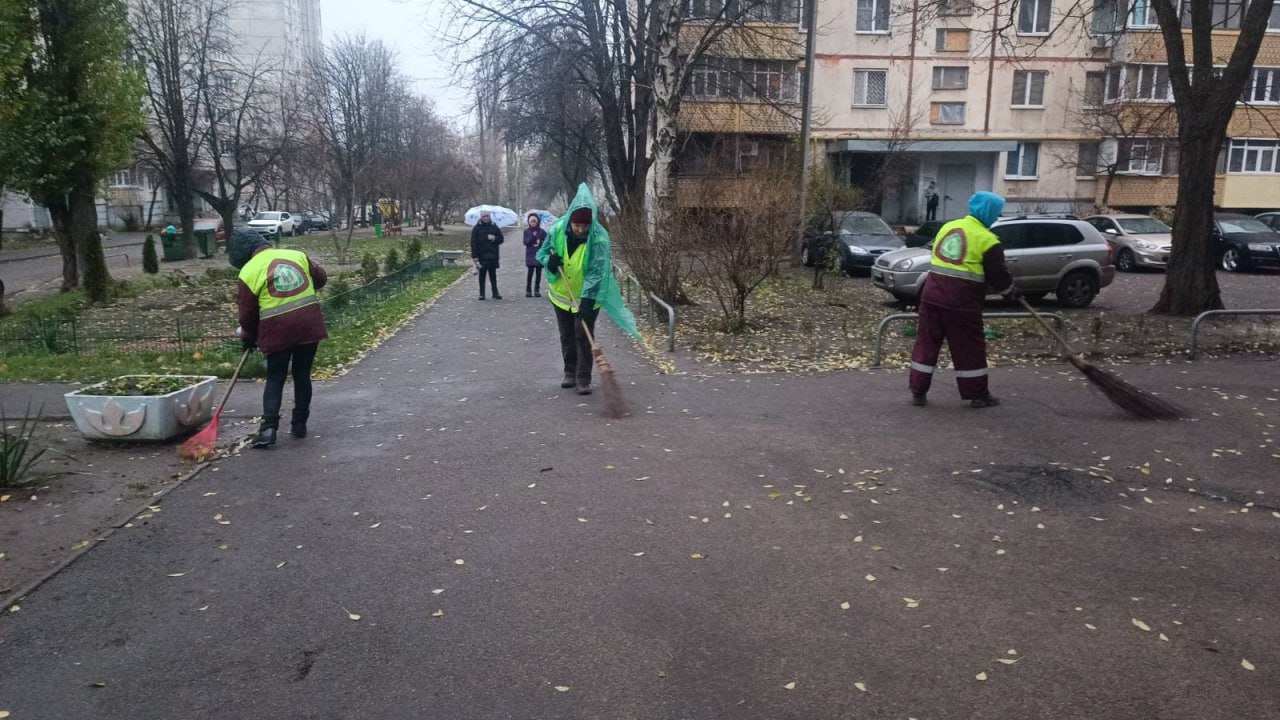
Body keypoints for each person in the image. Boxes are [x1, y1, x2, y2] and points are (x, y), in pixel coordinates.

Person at [908, 191, 1018, 409]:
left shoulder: (948, 227)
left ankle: (918, 391)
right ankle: (977, 394)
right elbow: (998, 275)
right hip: (962, 302)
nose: (996, 218)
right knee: (969, 349)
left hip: (931, 296)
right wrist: (1011, 291)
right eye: (995, 213)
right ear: (987, 212)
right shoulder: (988, 240)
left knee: (926, 344)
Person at [228, 228, 328, 448]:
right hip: (309, 325)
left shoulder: (249, 271)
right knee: (302, 375)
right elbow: (321, 279)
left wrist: (248, 336)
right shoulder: (296, 255)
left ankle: (268, 430)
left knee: (276, 377)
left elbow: (247, 314)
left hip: (276, 331)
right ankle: (299, 424)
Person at [537, 185, 636, 396]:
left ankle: (584, 379)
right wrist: (550, 261)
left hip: (587, 298)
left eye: (584, 226)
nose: (580, 229)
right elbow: (543, 253)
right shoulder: (557, 230)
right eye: (576, 225)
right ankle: (569, 373)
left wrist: (587, 300)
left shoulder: (599, 238)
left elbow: (597, 271)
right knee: (567, 335)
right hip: (561, 296)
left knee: (583, 336)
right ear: (570, 221)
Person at [470, 211, 504, 300]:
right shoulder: (477, 228)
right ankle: (482, 293)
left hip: (493, 255)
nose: (486, 218)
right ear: (481, 217)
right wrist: (474, 255)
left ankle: (495, 292)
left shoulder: (494, 226)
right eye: (484, 216)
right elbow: (473, 242)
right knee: (482, 275)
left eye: (487, 216)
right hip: (482, 255)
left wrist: (494, 238)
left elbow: (501, 239)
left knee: (493, 275)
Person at [523, 213, 547, 298]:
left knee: (538, 273)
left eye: (534, 221)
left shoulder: (542, 231)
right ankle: (528, 290)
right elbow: (526, 242)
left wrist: (542, 243)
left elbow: (547, 241)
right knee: (530, 273)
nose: (533, 223)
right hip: (530, 255)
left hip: (539, 255)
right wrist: (533, 237)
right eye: (531, 222)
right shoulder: (526, 232)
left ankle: (537, 290)